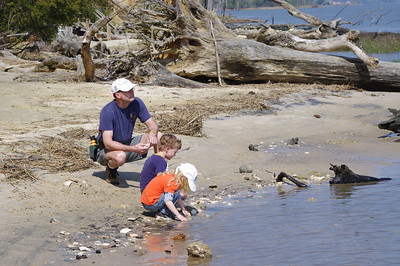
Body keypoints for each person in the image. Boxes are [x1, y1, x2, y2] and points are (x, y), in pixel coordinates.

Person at [96, 78, 162, 185]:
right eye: (128, 91)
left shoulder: (137, 102)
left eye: (132, 89)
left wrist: (152, 133)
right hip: (106, 151)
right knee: (120, 157)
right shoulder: (108, 111)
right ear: (118, 95)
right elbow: (108, 143)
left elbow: (152, 124)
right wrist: (133, 149)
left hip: (127, 143)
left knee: (159, 136)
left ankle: (159, 171)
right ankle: (111, 169)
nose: (132, 92)